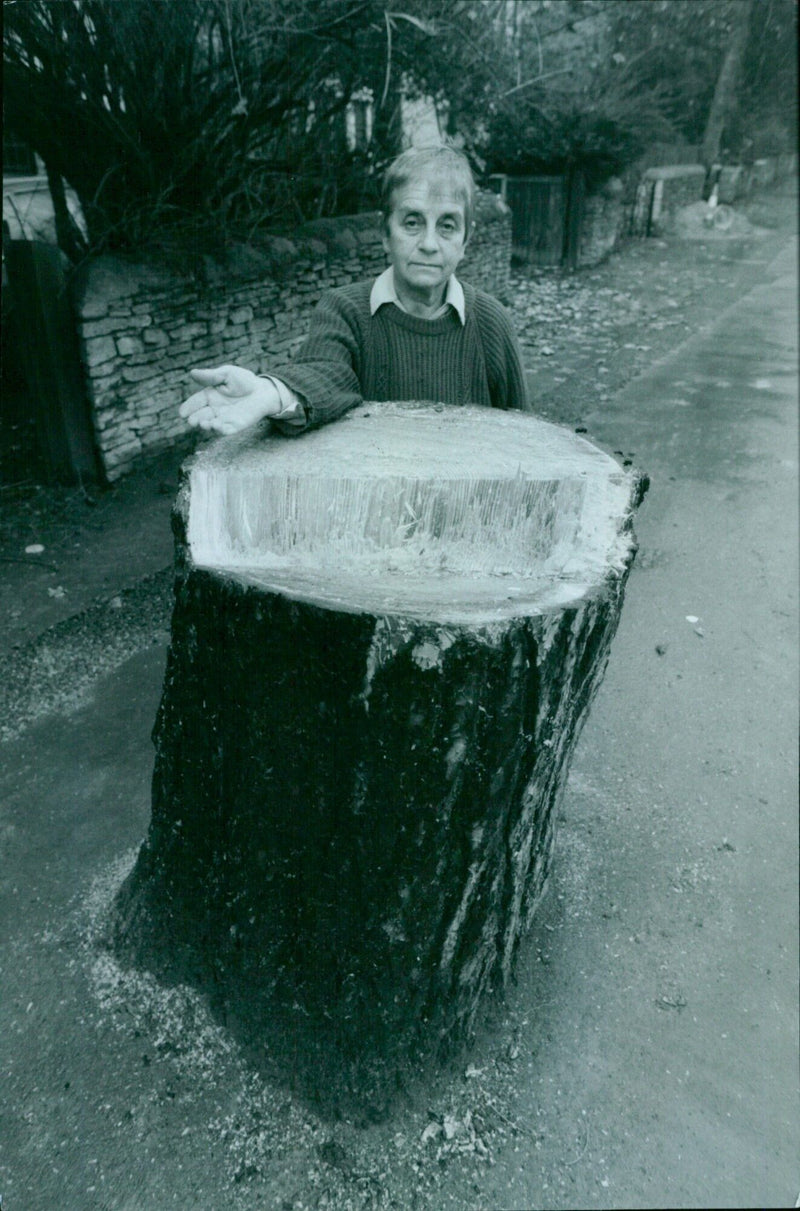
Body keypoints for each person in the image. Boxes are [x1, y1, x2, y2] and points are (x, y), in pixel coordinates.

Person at [179, 145, 530, 437]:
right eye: (412, 222)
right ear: (384, 234)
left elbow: (524, 440)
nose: (428, 244)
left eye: (447, 225)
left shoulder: (491, 323)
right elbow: (325, 373)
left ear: (466, 240)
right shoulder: (345, 311)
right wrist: (271, 392)